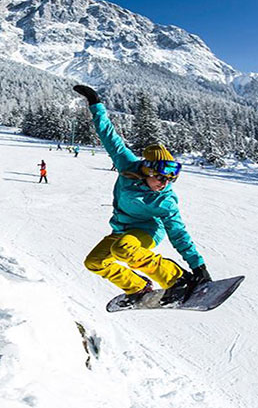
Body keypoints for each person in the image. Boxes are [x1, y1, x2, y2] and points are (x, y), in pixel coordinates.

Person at [74, 84, 209, 306]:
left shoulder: (165, 199)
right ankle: (138, 287)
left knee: (123, 249)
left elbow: (178, 233)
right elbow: (108, 135)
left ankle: (178, 279)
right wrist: (95, 103)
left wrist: (198, 266)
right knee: (95, 262)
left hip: (147, 231)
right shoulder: (127, 164)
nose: (164, 183)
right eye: (160, 177)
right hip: (122, 230)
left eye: (169, 179)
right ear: (146, 171)